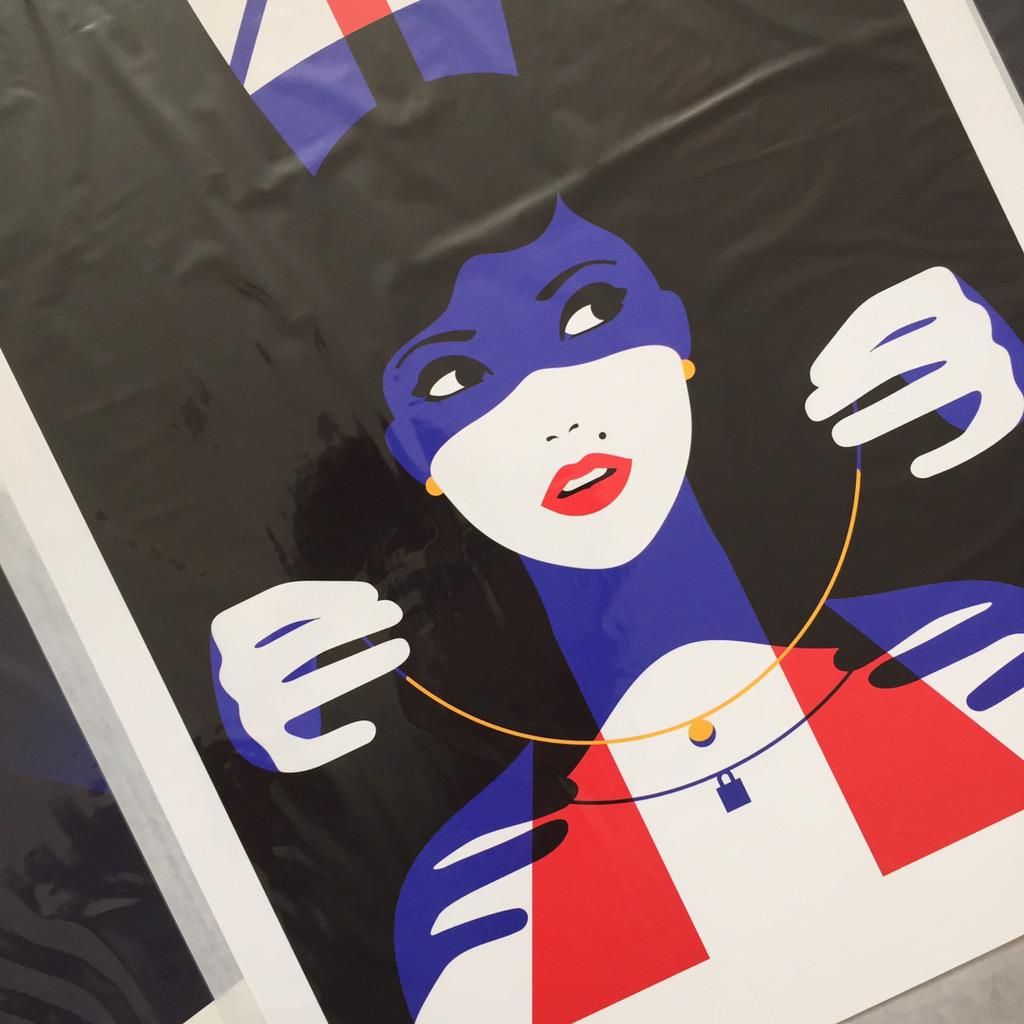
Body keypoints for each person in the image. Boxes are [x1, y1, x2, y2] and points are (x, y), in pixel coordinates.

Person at [209, 15, 1024, 1024]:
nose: (556, 411)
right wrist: (243, 777)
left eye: (587, 312)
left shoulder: (981, 668)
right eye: (457, 376)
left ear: (674, 328)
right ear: (415, 452)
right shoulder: (485, 915)